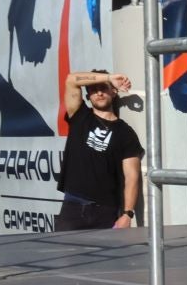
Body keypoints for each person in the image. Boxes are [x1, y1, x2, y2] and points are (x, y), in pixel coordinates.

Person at [55, 70, 143, 232]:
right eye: (93, 89)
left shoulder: (126, 133)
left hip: (106, 211)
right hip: (73, 207)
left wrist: (127, 214)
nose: (99, 93)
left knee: (108, 258)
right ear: (88, 95)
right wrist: (109, 78)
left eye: (104, 88)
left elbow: (132, 176)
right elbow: (71, 80)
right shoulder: (79, 115)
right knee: (65, 257)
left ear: (114, 91)